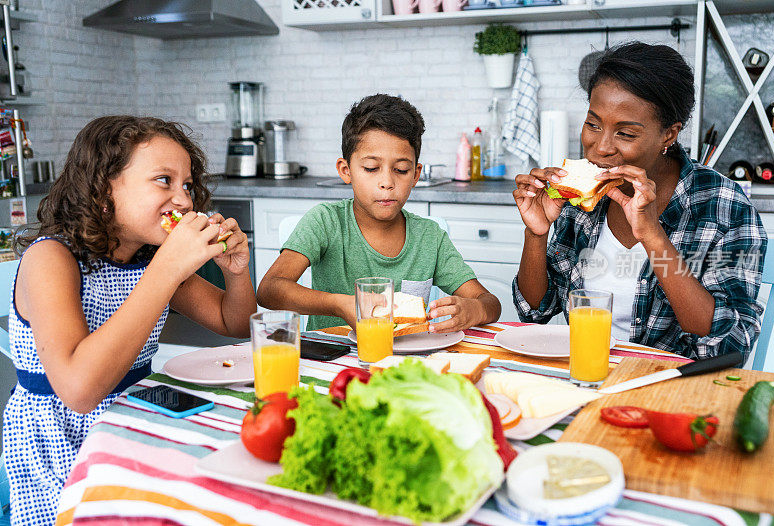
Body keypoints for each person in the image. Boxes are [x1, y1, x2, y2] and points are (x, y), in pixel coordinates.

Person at [3, 116, 257, 525]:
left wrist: (236, 272)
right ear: (105, 189)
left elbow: (236, 324)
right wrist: (166, 271)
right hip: (57, 446)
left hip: (133, 420)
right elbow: (80, 390)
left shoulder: (150, 260)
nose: (185, 201)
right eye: (164, 180)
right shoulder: (51, 259)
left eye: (187, 186)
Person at [513, 42, 766, 362]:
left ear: (669, 135)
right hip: (586, 372)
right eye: (593, 124)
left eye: (626, 134)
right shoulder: (579, 199)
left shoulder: (723, 206)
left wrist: (653, 236)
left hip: (671, 388)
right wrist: (536, 234)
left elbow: (728, 346)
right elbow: (536, 309)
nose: (600, 147)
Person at [257, 94, 501, 332]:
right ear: (346, 170)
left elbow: (490, 303)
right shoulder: (326, 222)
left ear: (416, 174)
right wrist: (341, 305)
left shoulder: (430, 237)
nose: (387, 182)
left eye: (401, 169)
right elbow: (269, 290)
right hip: (336, 360)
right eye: (371, 168)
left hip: (409, 362)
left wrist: (474, 310)